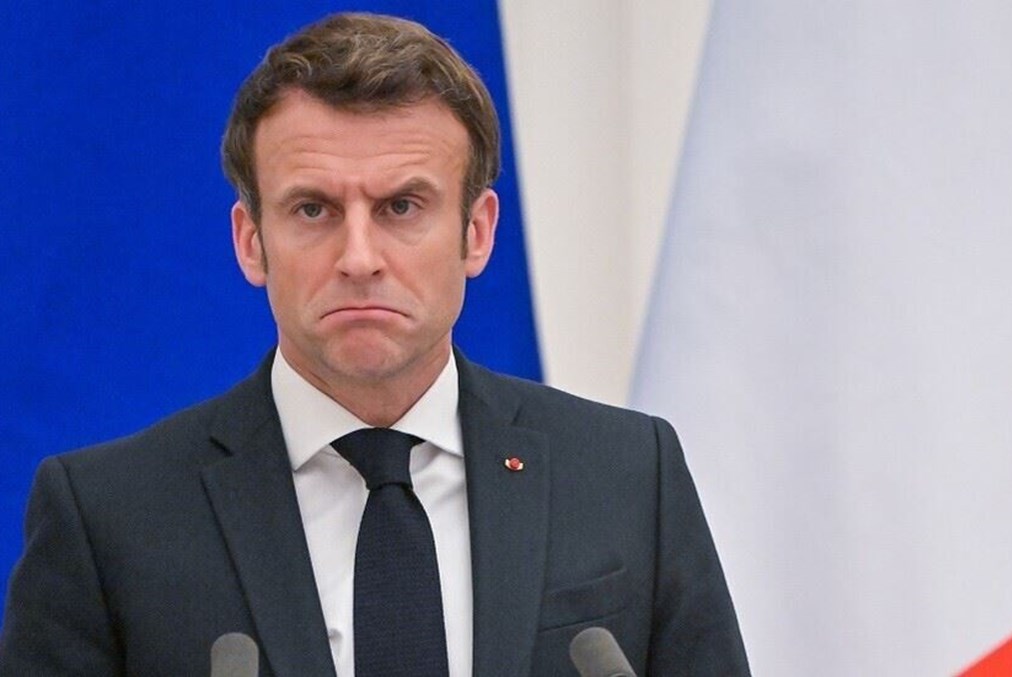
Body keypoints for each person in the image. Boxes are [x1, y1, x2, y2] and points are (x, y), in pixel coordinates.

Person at [0, 12, 748, 676]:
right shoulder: (109, 517)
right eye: (313, 209)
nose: (359, 258)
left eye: (401, 206)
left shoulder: (627, 476)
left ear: (477, 232)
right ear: (251, 241)